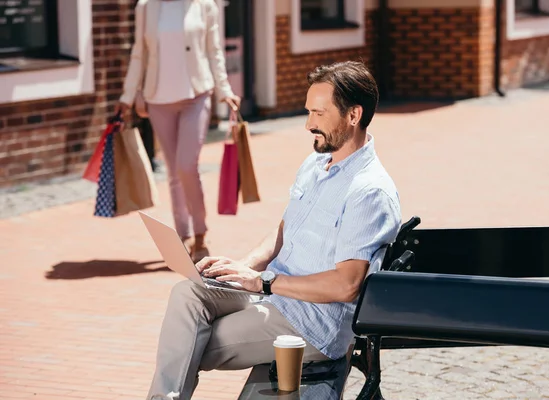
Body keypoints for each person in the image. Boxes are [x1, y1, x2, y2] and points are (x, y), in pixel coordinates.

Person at [146, 61, 402, 400]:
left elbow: (346, 285)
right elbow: (285, 228)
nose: (310, 124)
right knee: (187, 293)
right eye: (309, 112)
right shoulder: (316, 163)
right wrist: (243, 267)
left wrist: (262, 281)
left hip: (311, 323)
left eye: (319, 114)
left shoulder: (369, 191)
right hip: (273, 293)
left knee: (188, 342)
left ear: (353, 116)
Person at [118, 0, 240, 262]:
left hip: (196, 95)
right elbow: (139, 53)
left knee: (187, 165)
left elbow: (214, 52)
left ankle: (200, 233)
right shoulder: (146, 7)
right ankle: (182, 235)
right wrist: (128, 96)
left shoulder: (205, 5)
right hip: (158, 99)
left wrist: (225, 90)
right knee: (174, 171)